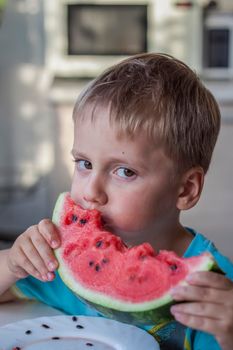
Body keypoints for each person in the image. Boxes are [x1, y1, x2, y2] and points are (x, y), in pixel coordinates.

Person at [0, 53, 233, 349]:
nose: (91, 192)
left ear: (185, 189)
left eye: (125, 171)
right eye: (84, 164)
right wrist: (14, 262)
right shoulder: (61, 257)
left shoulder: (214, 286)